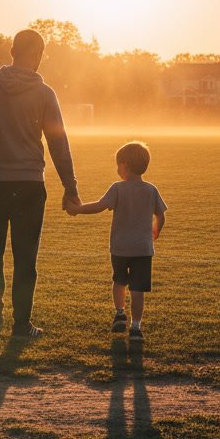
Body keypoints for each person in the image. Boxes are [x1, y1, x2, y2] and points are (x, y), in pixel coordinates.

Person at [0, 28, 80, 338]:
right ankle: (22, 324)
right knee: (25, 258)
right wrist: (70, 185)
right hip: (29, 185)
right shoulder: (44, 93)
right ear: (37, 55)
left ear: (12, 51)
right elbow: (58, 143)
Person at [65, 140, 167, 341]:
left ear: (124, 165)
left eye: (117, 165)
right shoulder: (151, 190)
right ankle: (136, 327)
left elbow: (99, 206)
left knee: (119, 280)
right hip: (143, 249)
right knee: (138, 289)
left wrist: (77, 209)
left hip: (120, 247)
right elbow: (161, 215)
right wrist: (156, 230)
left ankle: (120, 313)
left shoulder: (118, 188)